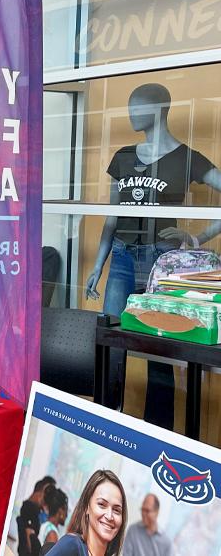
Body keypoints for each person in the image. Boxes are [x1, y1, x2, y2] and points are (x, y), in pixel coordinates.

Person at [85, 83, 221, 430]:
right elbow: (111, 215)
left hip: (162, 260)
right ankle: (106, 421)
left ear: (159, 108)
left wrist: (196, 237)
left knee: (159, 345)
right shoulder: (124, 156)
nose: (130, 113)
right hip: (122, 257)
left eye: (137, 105)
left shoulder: (186, 158)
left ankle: (158, 429)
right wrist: (99, 265)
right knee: (111, 340)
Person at [49, 470, 127, 556]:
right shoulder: (72, 545)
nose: (109, 516)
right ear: (87, 507)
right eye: (101, 504)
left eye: (116, 510)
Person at [17, 476, 57, 556]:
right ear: (41, 491)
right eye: (47, 492)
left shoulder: (36, 510)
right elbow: (29, 539)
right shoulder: (29, 507)